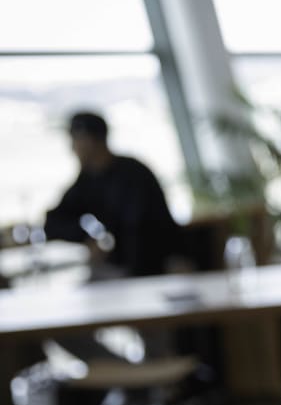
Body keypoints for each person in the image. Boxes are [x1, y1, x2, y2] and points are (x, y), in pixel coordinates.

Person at [44, 110, 183, 279]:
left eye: (75, 140)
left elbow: (138, 232)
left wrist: (105, 242)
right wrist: (88, 237)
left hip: (148, 270)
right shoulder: (88, 179)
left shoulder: (133, 174)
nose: (72, 149)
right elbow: (54, 222)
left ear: (90, 141)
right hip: (119, 270)